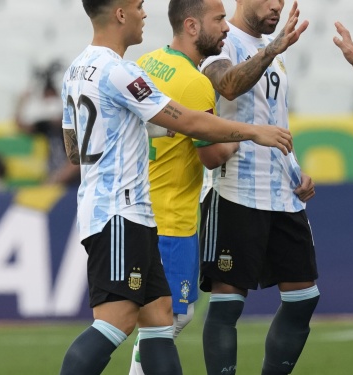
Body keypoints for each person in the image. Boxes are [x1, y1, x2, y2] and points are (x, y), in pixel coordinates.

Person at [57, 0, 292, 374]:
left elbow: (73, 150)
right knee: (116, 322)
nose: (144, 13)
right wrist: (254, 131)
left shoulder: (76, 69)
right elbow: (193, 124)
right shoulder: (120, 72)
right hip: (120, 211)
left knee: (160, 320)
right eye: (137, 6)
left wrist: (136, 128)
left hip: (121, 210)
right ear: (119, 14)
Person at [198, 1, 317, 374]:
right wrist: (273, 48)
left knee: (303, 298)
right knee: (228, 302)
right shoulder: (222, 40)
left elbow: (271, 117)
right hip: (234, 189)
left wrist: (295, 169)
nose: (277, 5)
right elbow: (228, 86)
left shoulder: (272, 51)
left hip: (281, 192)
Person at [126, 0, 237, 373]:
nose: (226, 27)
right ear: (191, 26)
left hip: (144, 207)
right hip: (173, 218)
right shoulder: (195, 83)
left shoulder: (148, 62)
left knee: (158, 321)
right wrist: (240, 137)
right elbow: (212, 155)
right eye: (219, 19)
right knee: (171, 320)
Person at [15, 61, 80, 186]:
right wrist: (22, 101)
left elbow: (76, 161)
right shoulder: (46, 125)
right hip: (56, 181)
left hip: (73, 185)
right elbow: (20, 125)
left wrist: (55, 180)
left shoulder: (73, 124)